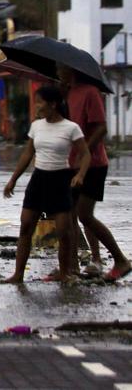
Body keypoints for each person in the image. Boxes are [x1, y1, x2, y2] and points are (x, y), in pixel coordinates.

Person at [0, 85, 89, 285]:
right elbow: (28, 154)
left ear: (52, 104)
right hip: (38, 179)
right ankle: (18, 274)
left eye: (39, 102)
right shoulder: (36, 126)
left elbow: (85, 154)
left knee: (64, 231)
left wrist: (80, 174)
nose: (36, 106)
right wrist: (13, 179)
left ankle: (65, 272)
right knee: (26, 226)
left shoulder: (71, 128)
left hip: (60, 180)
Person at [58, 65, 132, 280]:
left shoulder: (90, 92)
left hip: (93, 163)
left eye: (59, 68)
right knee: (68, 215)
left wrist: (85, 149)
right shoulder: (68, 93)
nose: (57, 71)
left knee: (84, 214)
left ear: (70, 70)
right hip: (70, 163)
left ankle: (120, 259)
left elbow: (101, 127)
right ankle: (70, 267)